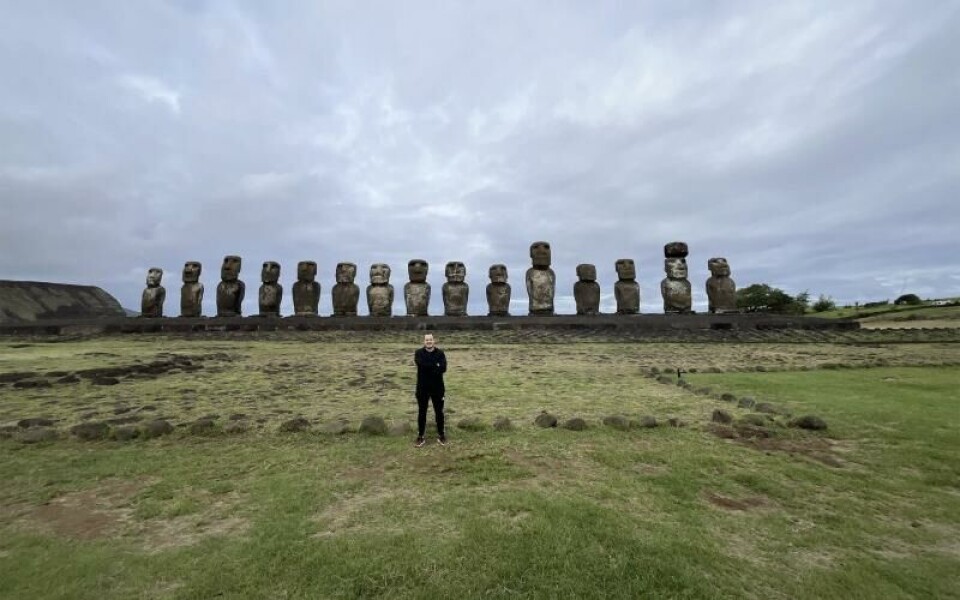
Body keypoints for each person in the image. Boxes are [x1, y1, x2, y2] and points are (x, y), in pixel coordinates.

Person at [414, 333, 447, 447]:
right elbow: (421, 365)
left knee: (439, 412)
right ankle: (421, 436)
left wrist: (431, 366)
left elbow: (443, 368)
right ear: (424, 341)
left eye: (430, 340)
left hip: (438, 388)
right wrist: (435, 365)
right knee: (422, 412)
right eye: (427, 340)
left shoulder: (440, 353)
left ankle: (441, 435)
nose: (429, 341)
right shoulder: (418, 353)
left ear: (434, 341)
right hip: (422, 388)